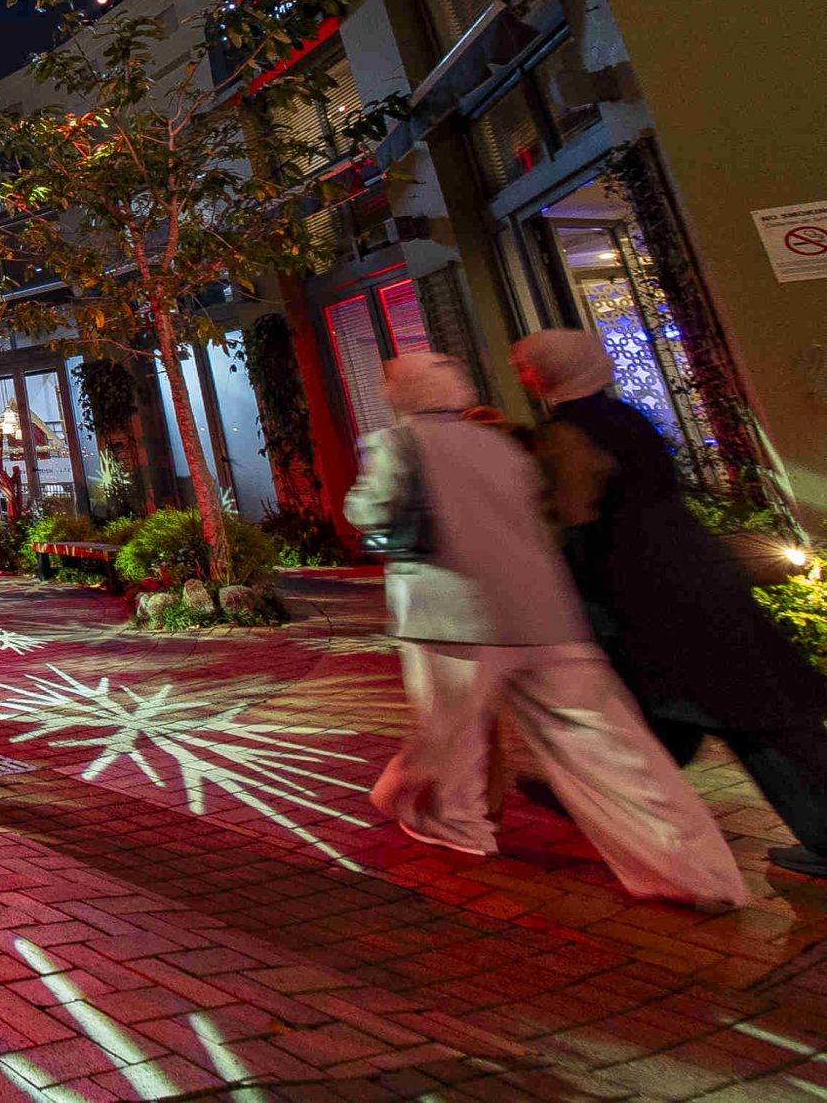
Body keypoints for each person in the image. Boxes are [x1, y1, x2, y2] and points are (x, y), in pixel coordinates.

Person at [349, 352, 745, 909]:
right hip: (546, 614)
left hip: (454, 617)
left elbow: (372, 513)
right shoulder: (503, 445)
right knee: (612, 751)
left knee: (452, 734)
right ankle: (696, 872)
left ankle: (456, 823)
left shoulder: (397, 444)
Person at [517, 328, 827, 879]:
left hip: (643, 584)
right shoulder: (631, 419)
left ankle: (601, 795)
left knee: (726, 711)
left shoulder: (567, 433)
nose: (523, 375)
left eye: (528, 366)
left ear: (547, 372)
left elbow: (576, 517)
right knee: (744, 709)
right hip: (692, 565)